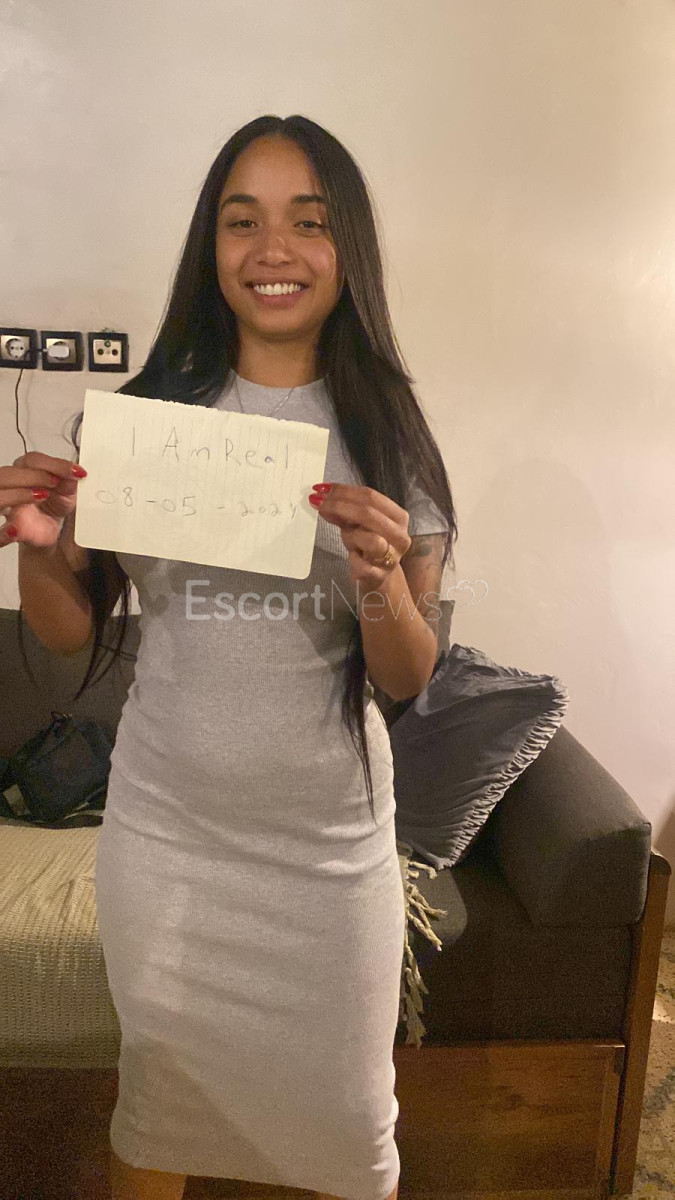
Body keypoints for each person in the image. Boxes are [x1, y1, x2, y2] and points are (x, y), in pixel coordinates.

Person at [1, 115, 458, 1200]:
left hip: (327, 854)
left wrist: (381, 583)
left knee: (350, 1133)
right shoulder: (151, 417)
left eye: (309, 222)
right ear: (211, 247)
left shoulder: (385, 429)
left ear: (347, 249)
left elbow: (409, 676)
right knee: (159, 1113)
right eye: (241, 221)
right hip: (167, 840)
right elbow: (67, 631)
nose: (273, 250)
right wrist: (38, 551)